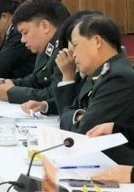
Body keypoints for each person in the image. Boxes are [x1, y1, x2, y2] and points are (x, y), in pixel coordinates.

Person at [53, 15, 134, 165]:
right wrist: (79, 116)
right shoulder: (100, 73)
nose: (73, 55)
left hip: (115, 165)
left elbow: (83, 134)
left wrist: (80, 118)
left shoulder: (117, 77)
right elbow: (67, 111)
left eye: (76, 46)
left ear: (97, 41)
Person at [0, 0, 69, 104]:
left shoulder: (63, 48)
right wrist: (7, 83)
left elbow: (54, 95)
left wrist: (13, 93)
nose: (22, 40)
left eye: (25, 33)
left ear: (45, 26)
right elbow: (36, 80)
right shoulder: (44, 46)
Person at [19, 10, 98, 116]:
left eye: (75, 44)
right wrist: (46, 105)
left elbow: (68, 115)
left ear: (96, 42)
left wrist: (68, 76)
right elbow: (75, 102)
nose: (72, 53)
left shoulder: (110, 76)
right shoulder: (83, 70)